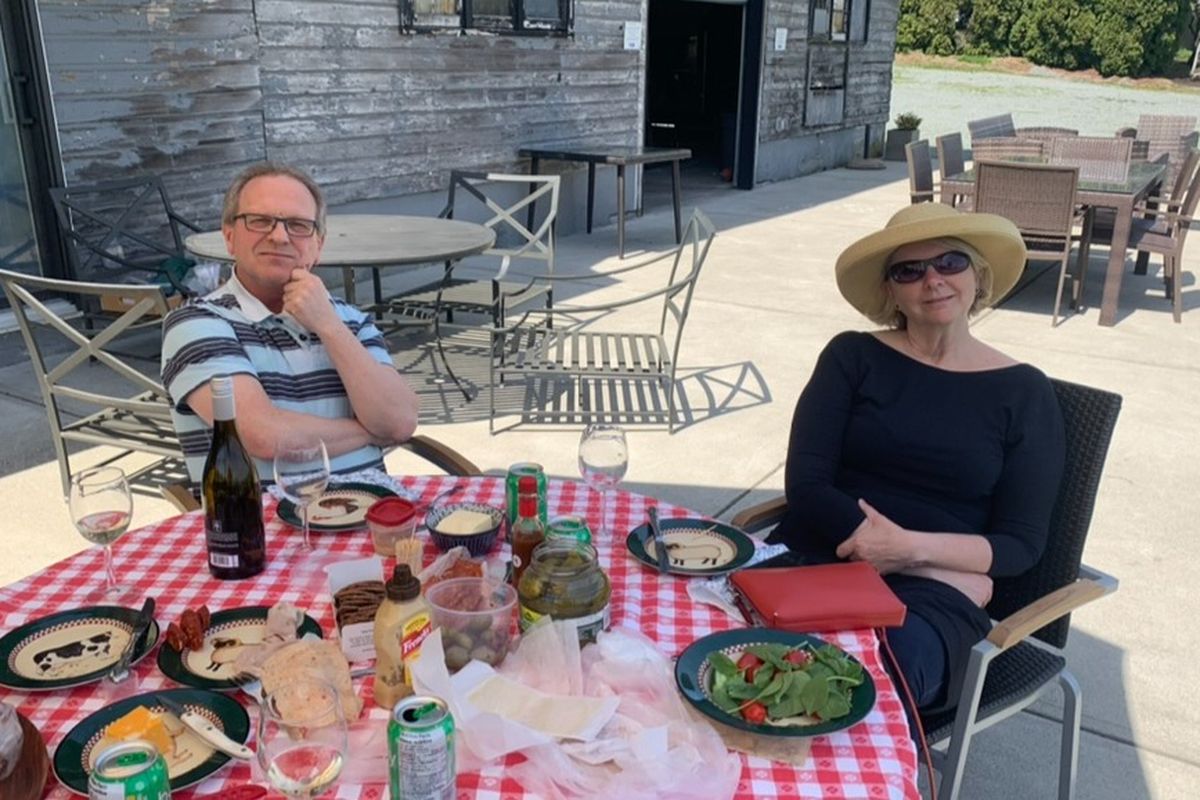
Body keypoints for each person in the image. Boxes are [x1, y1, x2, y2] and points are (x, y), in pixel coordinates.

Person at [768, 203, 1065, 720]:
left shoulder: (1025, 393)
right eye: (909, 270)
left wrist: (911, 553)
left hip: (930, 599)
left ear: (978, 275)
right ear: (890, 291)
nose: (933, 280)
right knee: (715, 644)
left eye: (950, 262)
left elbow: (1021, 545)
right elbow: (808, 483)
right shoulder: (851, 357)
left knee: (854, 689)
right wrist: (892, 553)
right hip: (818, 553)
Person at [161, 162, 419, 484]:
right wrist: (371, 432)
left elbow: (399, 421)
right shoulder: (197, 323)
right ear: (230, 237)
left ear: (318, 246)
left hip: (374, 510)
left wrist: (328, 325)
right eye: (260, 221)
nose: (280, 236)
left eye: (298, 225)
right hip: (264, 516)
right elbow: (264, 436)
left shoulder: (351, 322)